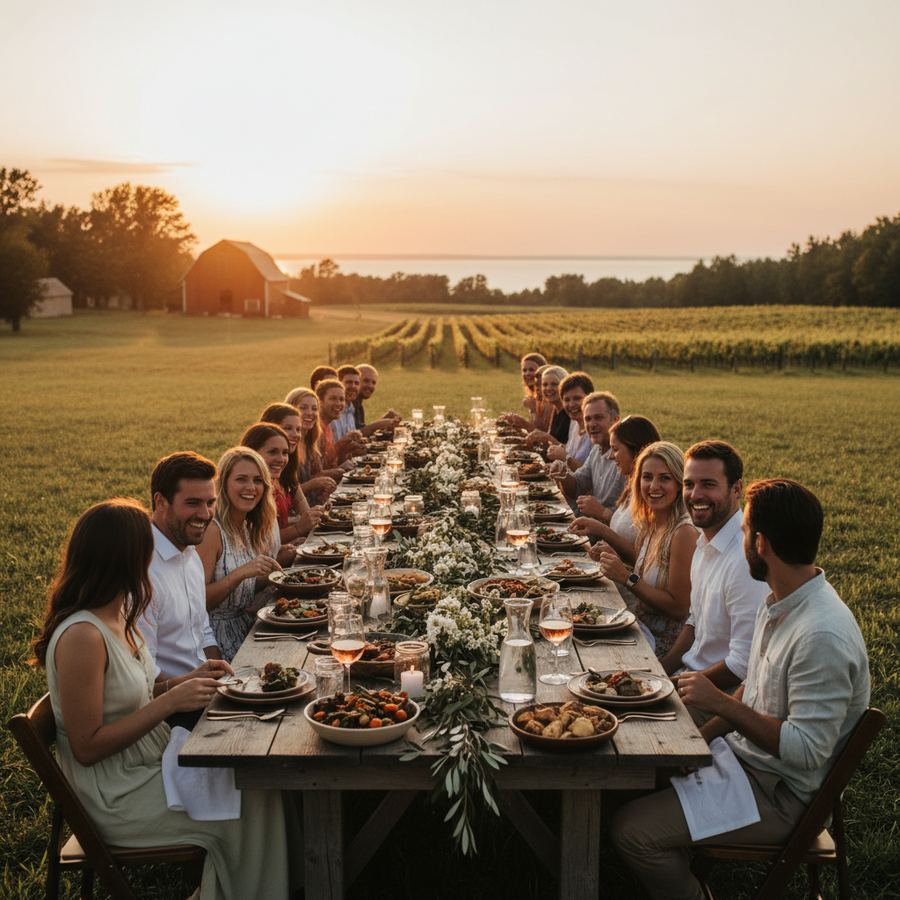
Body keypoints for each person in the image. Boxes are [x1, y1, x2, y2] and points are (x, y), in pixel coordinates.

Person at [612, 479, 870, 900]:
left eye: (746, 531)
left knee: (632, 831)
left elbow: (806, 751)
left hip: (779, 794)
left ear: (762, 544)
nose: (741, 540)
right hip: (744, 760)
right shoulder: (783, 600)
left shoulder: (821, 635)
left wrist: (717, 704)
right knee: (643, 762)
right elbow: (753, 689)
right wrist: (700, 739)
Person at [33, 499, 295, 899]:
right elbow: (86, 746)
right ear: (121, 556)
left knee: (257, 777)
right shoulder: (82, 636)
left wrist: (186, 681)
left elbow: (132, 691)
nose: (152, 557)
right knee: (248, 803)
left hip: (151, 760)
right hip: (117, 795)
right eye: (146, 548)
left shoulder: (118, 611)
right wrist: (170, 704)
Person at [661, 441, 769, 723]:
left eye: (708, 484)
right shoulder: (704, 540)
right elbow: (694, 620)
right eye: (689, 484)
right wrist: (661, 671)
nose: (695, 494)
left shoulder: (744, 560)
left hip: (718, 699)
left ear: (736, 489)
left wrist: (669, 688)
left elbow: (741, 665)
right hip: (687, 680)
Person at [141, 452, 232, 729]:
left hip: (205, 693)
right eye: (192, 503)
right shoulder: (143, 570)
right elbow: (144, 674)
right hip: (171, 713)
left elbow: (203, 629)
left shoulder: (189, 552)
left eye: (210, 503)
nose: (204, 515)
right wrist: (190, 688)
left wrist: (223, 676)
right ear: (160, 502)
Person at [599, 441, 698, 657]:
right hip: (638, 629)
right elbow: (651, 570)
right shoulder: (651, 522)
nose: (653, 486)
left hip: (661, 646)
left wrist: (626, 577)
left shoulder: (683, 533)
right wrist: (612, 558)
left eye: (664, 478)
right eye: (647, 477)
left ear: (680, 483)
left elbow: (679, 608)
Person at [198, 448, 283, 662]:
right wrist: (241, 573)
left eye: (257, 480)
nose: (251, 488)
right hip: (218, 643)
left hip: (248, 628)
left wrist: (268, 580)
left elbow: (240, 588)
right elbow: (200, 601)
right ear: (224, 484)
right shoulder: (212, 531)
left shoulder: (243, 525)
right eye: (241, 479)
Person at [571, 414, 661, 566]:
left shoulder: (653, 495)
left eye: (615, 449)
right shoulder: (632, 485)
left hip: (627, 585)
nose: (611, 456)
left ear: (636, 450)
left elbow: (646, 563)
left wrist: (602, 530)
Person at [242, 418, 322, 543]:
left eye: (285, 453)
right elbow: (258, 542)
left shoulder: (275, 481)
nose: (281, 459)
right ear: (252, 452)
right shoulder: (249, 491)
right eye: (273, 452)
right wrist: (298, 528)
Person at [556, 391, 625, 515]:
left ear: (615, 420)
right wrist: (562, 474)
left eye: (598, 417)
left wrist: (602, 512)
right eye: (588, 419)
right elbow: (577, 487)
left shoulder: (626, 455)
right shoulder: (596, 450)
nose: (592, 424)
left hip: (609, 530)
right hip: (592, 525)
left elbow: (632, 515)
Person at [525, 371, 594, 469]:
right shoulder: (574, 422)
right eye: (567, 400)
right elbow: (570, 451)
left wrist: (565, 457)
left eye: (577, 398)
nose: (571, 404)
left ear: (590, 397)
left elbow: (590, 477)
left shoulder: (595, 429)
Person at [283, 386, 341, 501]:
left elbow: (318, 476)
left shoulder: (311, 442)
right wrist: (312, 485)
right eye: (303, 408)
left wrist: (323, 491)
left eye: (314, 409)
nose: (310, 413)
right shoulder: (286, 445)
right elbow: (283, 496)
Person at [315, 378, 364, 467]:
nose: (338, 403)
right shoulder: (316, 429)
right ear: (320, 401)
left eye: (342, 399)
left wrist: (347, 450)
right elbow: (320, 469)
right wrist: (340, 445)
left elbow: (332, 463)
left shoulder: (328, 427)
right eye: (333, 398)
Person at [355, 363, 401, 435]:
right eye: (366, 381)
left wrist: (384, 420)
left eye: (373, 383)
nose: (370, 386)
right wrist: (377, 425)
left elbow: (361, 431)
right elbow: (355, 436)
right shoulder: (348, 405)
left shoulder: (358, 404)